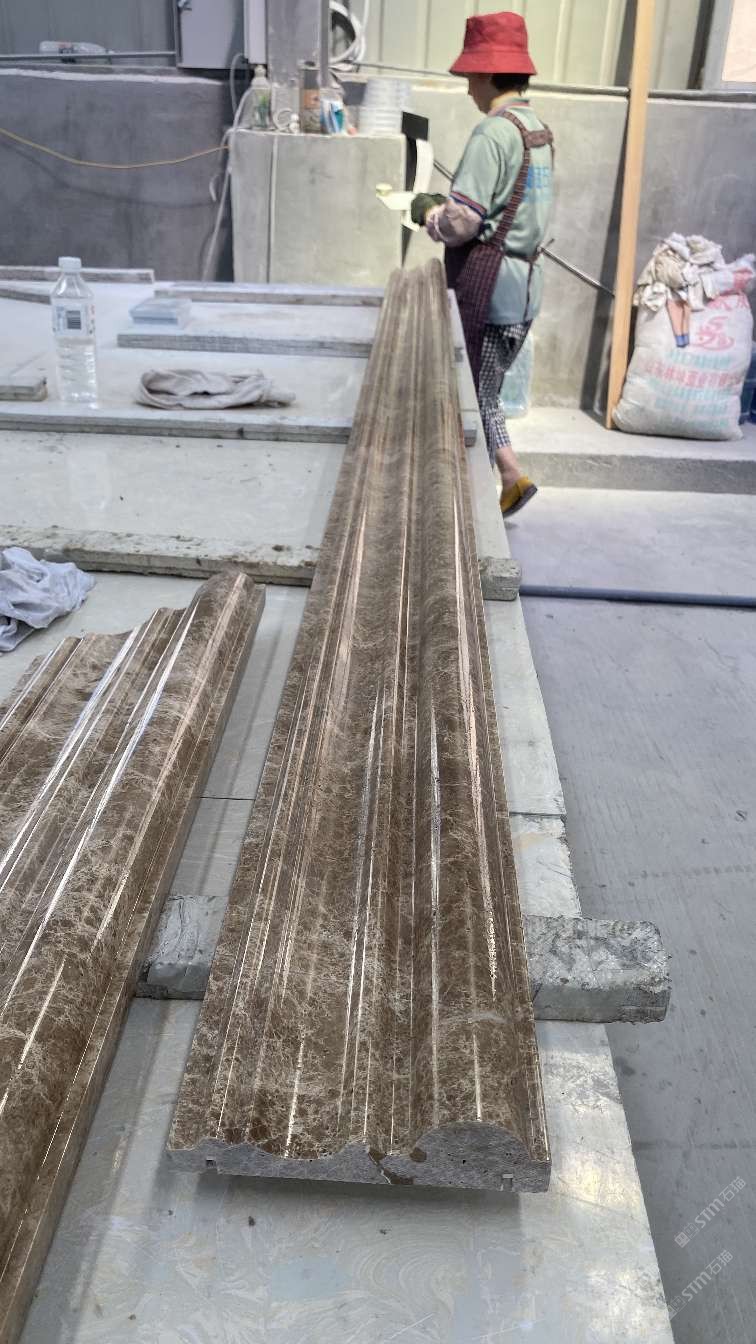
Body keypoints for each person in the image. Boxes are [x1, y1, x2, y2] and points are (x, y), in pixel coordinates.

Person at [412, 12, 554, 518]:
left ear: (489, 73)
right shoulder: (536, 129)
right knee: (483, 392)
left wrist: (430, 213)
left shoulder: (493, 133)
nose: (468, 86)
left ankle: (494, 484)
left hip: (490, 290)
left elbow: (464, 221)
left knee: (471, 396)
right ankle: (508, 479)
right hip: (526, 288)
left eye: (471, 75)